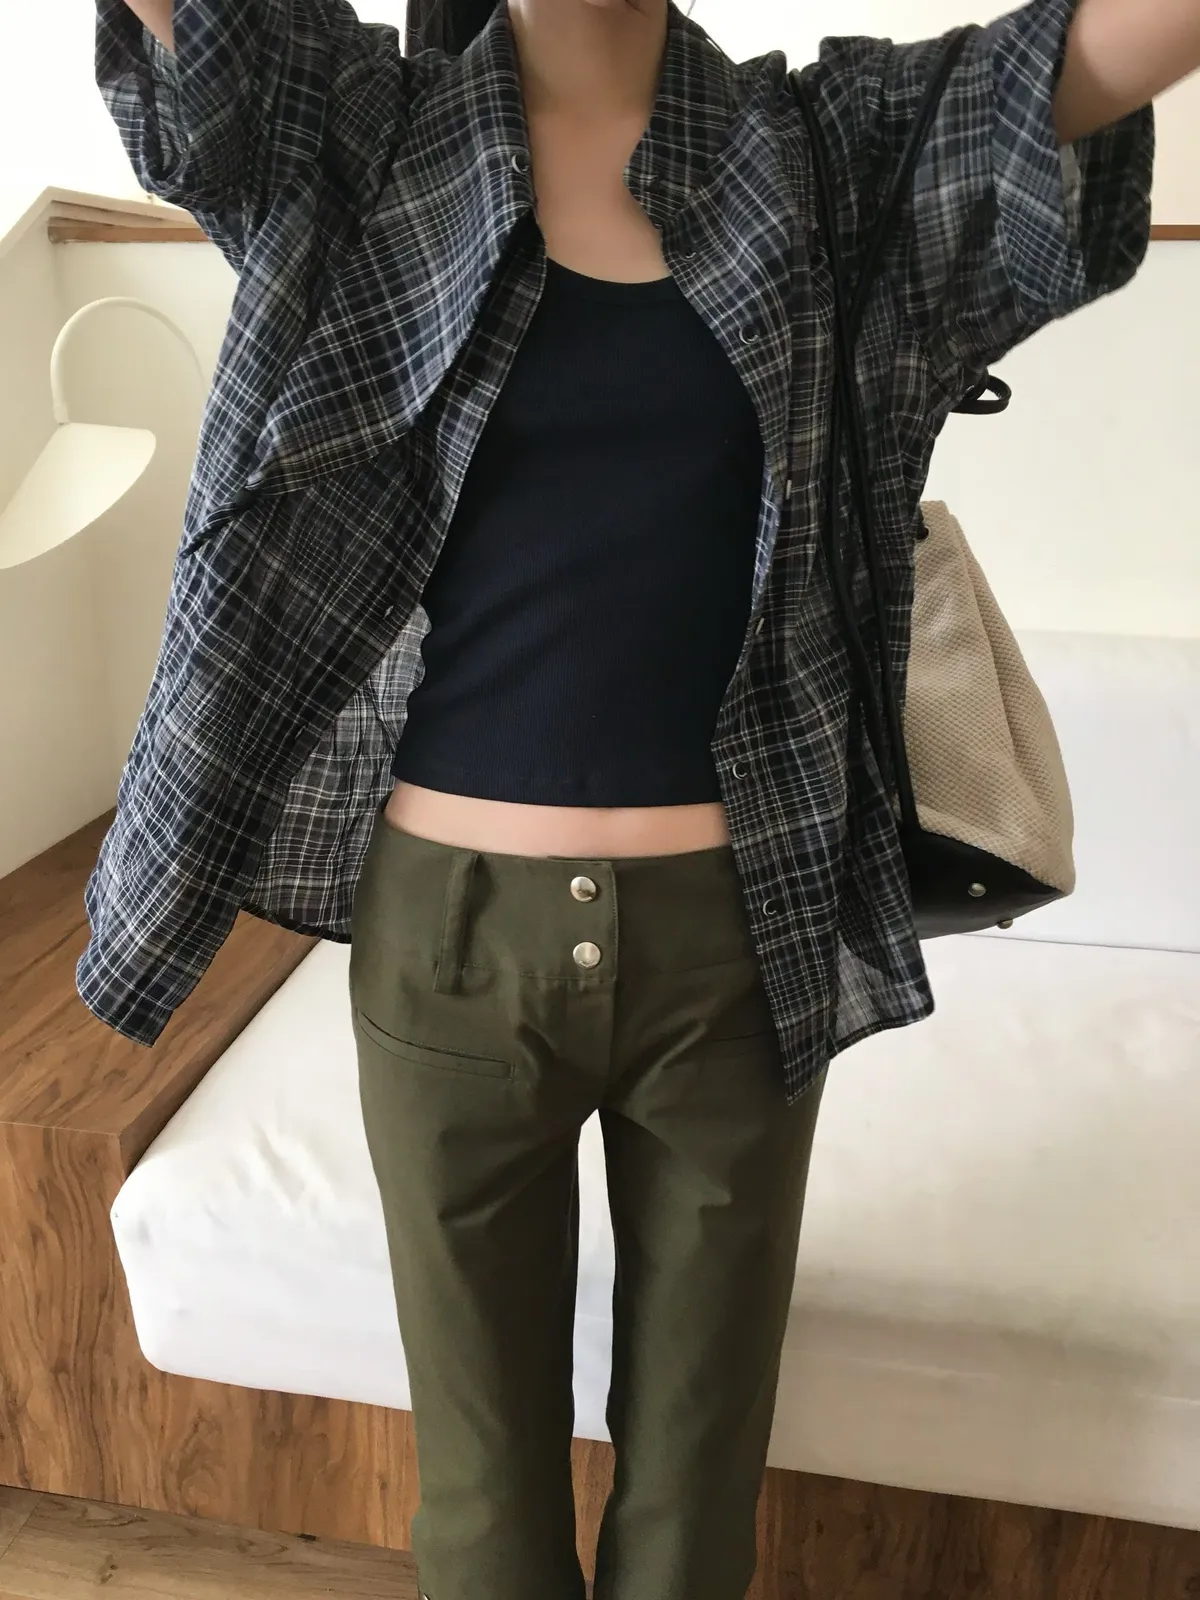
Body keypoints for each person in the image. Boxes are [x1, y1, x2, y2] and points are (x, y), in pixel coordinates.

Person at [84, 0, 1192, 1595]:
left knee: (696, 1487)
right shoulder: (367, 140)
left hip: (739, 936)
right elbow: (214, 61)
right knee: (483, 1507)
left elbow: (1083, 61)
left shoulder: (825, 156)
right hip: (449, 943)